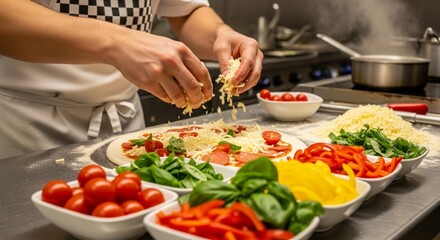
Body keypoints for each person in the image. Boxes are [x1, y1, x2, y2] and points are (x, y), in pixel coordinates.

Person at [0, 0, 263, 159]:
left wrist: (220, 34)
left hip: (124, 124)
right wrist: (117, 42)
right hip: (24, 127)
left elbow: (185, 11)